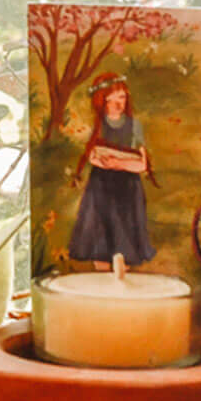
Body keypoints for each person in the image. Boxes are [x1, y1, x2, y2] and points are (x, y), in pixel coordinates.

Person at [66, 75, 154, 274]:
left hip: (127, 189)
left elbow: (142, 164)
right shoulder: (98, 127)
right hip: (101, 188)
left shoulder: (134, 127)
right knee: (100, 243)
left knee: (124, 243)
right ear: (101, 100)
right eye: (111, 99)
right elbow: (93, 157)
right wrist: (102, 162)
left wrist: (119, 163)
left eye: (122, 97)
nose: (117, 104)